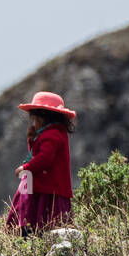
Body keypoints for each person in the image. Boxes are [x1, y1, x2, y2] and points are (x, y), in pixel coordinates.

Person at [6, 91, 76, 235]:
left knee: (40, 223)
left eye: (34, 119)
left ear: (43, 118)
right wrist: (32, 140)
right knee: (48, 225)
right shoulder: (55, 133)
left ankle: (27, 235)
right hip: (48, 187)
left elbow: (44, 159)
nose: (33, 123)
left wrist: (25, 168)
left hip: (47, 188)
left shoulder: (51, 135)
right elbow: (38, 155)